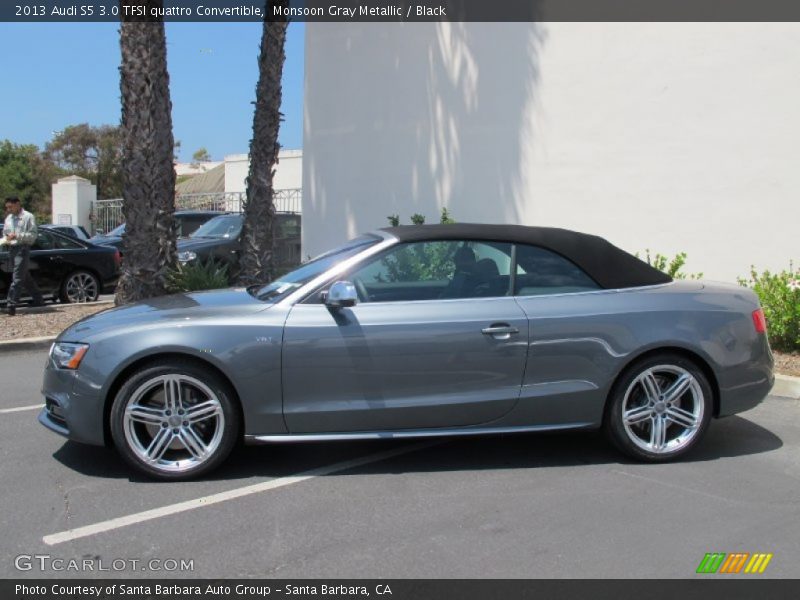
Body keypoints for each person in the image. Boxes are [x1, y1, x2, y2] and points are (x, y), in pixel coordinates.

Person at [2, 197, 44, 315]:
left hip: (22, 249)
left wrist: (17, 236)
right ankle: (39, 300)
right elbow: (5, 232)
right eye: (7, 207)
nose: (9, 209)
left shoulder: (28, 217)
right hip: (11, 249)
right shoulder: (9, 218)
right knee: (24, 277)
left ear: (18, 204)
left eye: (11, 207)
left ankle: (11, 304)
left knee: (17, 278)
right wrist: (7, 237)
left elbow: (33, 235)